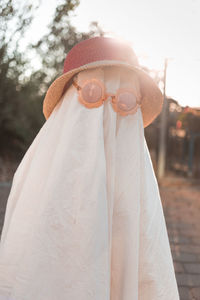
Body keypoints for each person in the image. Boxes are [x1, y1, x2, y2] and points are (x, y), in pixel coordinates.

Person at [0, 36, 180, 299]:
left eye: (126, 99)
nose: (106, 115)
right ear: (71, 98)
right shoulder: (40, 174)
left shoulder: (137, 183)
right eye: (93, 93)